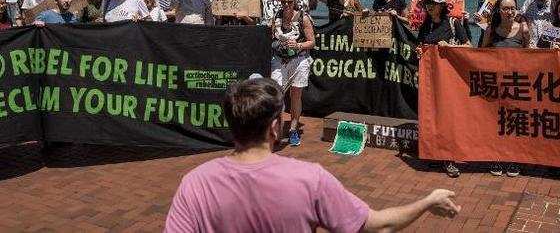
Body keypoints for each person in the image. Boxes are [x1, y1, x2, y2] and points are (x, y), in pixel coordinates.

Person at [164, 78, 460, 232]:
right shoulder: (309, 179)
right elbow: (377, 225)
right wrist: (426, 201)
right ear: (275, 127)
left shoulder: (195, 184)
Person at [415, 0, 470, 179]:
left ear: (441, 5)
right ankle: (435, 153)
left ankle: (450, 158)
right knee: (432, 116)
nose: (429, 7)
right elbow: (420, 45)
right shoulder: (426, 25)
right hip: (431, 80)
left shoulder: (454, 23)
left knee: (449, 118)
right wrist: (419, 52)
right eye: (427, 3)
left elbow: (469, 47)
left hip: (451, 81)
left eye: (432, 3)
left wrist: (450, 47)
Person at [481, 0, 529, 178]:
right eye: (505, 8)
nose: (509, 12)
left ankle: (514, 158)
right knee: (496, 122)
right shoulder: (490, 30)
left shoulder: (523, 30)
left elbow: (530, 55)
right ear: (499, 11)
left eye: (512, 8)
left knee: (514, 122)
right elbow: (481, 53)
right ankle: (496, 156)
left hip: (516, 84)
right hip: (495, 84)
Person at [271, 0, 315, 147]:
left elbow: (312, 41)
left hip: (299, 59)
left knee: (295, 95)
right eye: (283, 1)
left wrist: (298, 45)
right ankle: (277, 128)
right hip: (279, 60)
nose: (286, 4)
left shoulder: (303, 18)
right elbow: (271, 35)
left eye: (289, 1)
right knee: (276, 94)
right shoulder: (276, 17)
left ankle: (293, 129)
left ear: (294, 2)